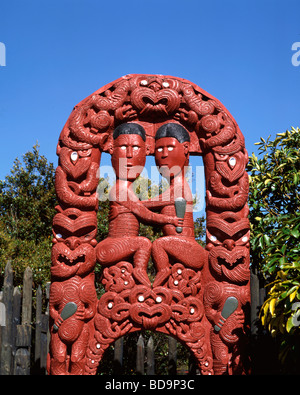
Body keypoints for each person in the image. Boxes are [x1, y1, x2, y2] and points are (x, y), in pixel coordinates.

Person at [96, 122, 182, 287]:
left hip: (118, 247)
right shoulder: (120, 190)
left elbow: (141, 206)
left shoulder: (128, 192)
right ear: (112, 151)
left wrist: (167, 200)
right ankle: (140, 272)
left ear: (146, 151)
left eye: (135, 148)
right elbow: (145, 214)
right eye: (123, 147)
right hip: (109, 248)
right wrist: (169, 220)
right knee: (143, 243)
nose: (129, 155)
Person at [142, 123, 208, 287]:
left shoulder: (180, 187)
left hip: (189, 249)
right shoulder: (172, 188)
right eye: (159, 149)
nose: (164, 155)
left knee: (158, 244)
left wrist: (131, 203)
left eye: (170, 148)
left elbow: (150, 204)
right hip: (177, 249)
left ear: (186, 148)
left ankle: (162, 274)